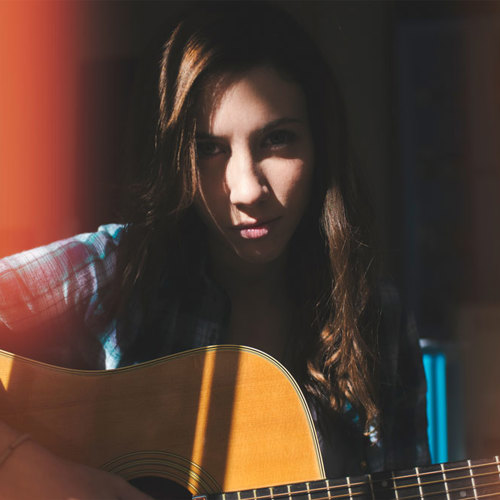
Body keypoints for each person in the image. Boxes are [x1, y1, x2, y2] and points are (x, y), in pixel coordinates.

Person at [0, 3, 430, 498]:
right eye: (209, 149)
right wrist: (53, 476)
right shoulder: (116, 272)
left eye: (277, 139)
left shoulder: (377, 317)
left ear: (320, 147)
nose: (247, 190)